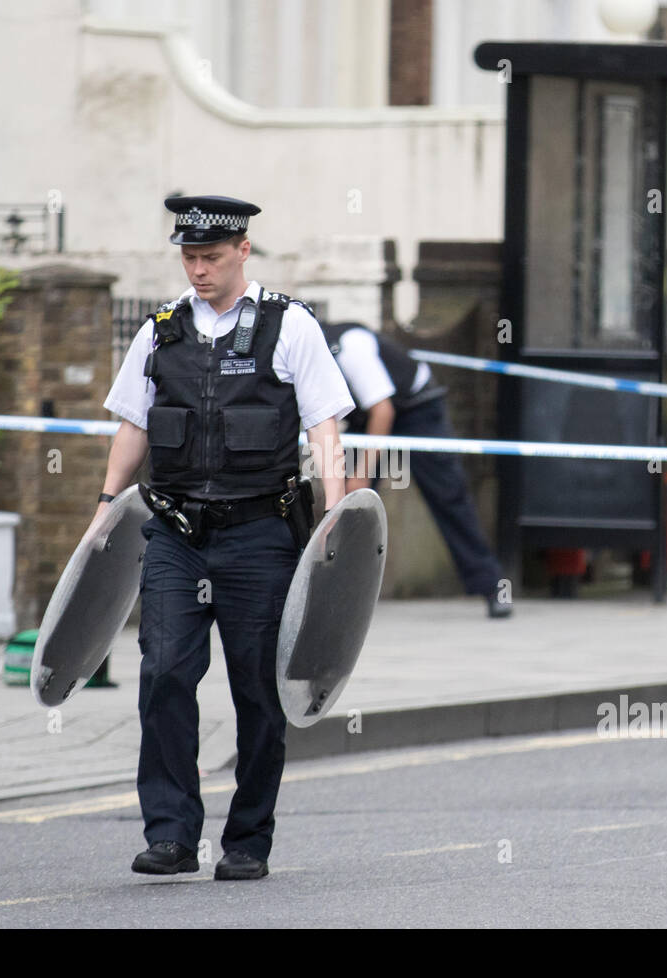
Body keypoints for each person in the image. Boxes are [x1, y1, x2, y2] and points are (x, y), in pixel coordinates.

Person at [98, 195, 351, 881]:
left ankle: (247, 840)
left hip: (260, 535)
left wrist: (338, 516)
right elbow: (133, 424)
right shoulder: (160, 331)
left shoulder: (290, 326)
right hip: (177, 533)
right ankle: (173, 834)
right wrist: (103, 505)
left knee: (259, 693)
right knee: (164, 674)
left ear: (244, 250)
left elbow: (326, 427)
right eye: (188, 257)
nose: (198, 269)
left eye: (210, 257)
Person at [321, 321, 511, 618]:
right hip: (368, 417)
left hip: (416, 407)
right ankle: (335, 594)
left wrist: (360, 475)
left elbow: (383, 410)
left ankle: (492, 586)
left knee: (449, 496)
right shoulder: (305, 357)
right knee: (347, 508)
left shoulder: (348, 349)